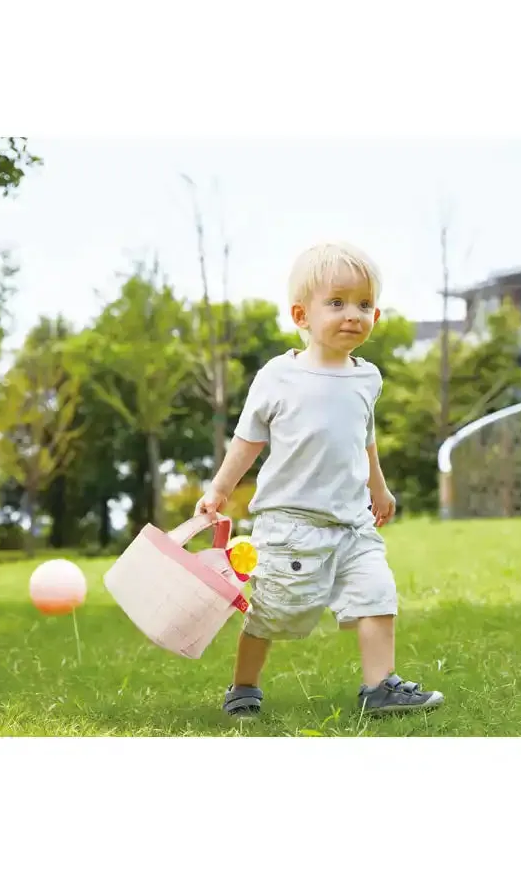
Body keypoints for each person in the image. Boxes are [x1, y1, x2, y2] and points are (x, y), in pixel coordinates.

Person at [196, 242, 443, 717]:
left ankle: (380, 687)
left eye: (364, 305)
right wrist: (220, 489)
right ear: (300, 314)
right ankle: (243, 686)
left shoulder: (367, 377)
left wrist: (379, 487)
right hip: (292, 526)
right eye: (337, 302)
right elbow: (248, 438)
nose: (353, 314)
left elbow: (363, 437)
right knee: (273, 613)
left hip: (352, 523)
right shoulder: (279, 376)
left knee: (377, 595)